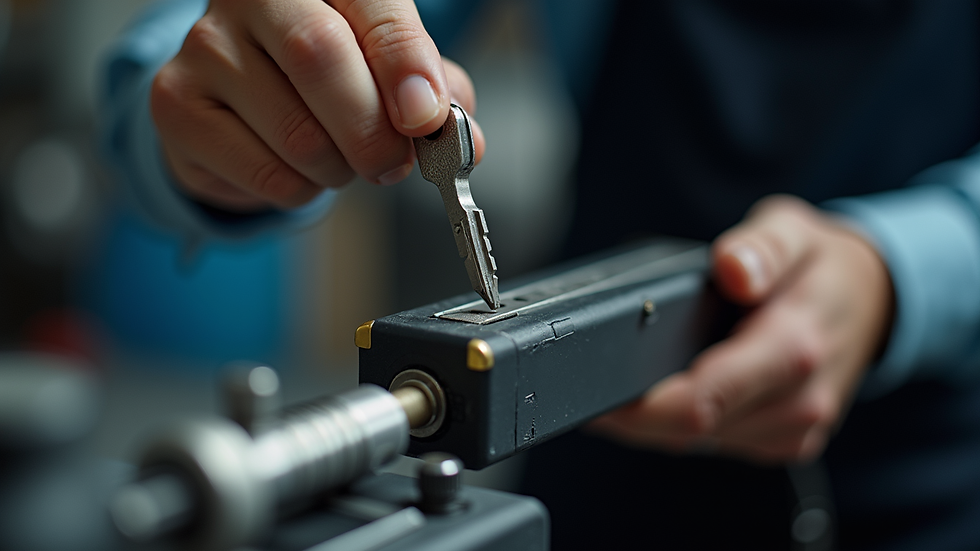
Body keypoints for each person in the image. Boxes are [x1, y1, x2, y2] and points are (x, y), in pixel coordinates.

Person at [102, 0, 980, 549]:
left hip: (933, 466)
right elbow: (186, 50)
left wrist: (901, 270)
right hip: (583, 437)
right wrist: (209, 114)